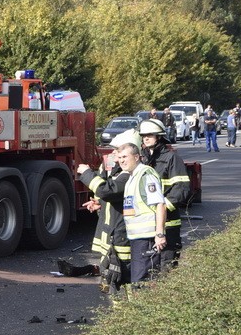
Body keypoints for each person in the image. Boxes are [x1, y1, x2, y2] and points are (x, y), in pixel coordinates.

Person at [77, 129, 137, 300]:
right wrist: (99, 205)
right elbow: (114, 200)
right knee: (113, 277)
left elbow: (108, 191)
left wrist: (88, 173)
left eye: (118, 151)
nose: (114, 154)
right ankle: (121, 316)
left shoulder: (130, 175)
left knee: (123, 276)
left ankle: (131, 316)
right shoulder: (120, 172)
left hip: (123, 235)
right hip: (113, 234)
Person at [139, 118, 190, 273]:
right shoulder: (144, 158)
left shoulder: (171, 158)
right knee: (149, 265)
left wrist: (163, 208)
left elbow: (182, 189)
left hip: (168, 222)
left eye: (150, 135)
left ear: (159, 136)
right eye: (143, 135)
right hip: (147, 222)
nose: (146, 138)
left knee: (166, 265)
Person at [117, 141, 168, 283]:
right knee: (138, 279)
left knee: (143, 281)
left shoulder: (146, 175)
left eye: (125, 157)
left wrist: (159, 234)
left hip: (148, 238)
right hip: (137, 238)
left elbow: (160, 205)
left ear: (137, 157)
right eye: (120, 158)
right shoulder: (131, 177)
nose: (122, 161)